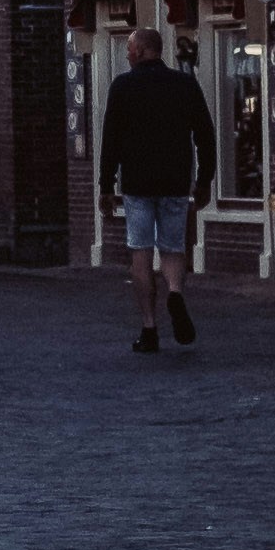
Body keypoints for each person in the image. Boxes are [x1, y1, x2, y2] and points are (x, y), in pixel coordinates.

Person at [99, 27, 220, 353]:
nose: (126, 54)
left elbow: (110, 139)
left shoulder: (123, 87)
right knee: (172, 247)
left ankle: (149, 328)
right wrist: (205, 179)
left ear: (139, 51)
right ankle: (176, 292)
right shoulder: (184, 85)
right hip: (175, 181)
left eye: (129, 49)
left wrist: (105, 185)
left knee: (140, 251)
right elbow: (206, 134)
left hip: (138, 184)